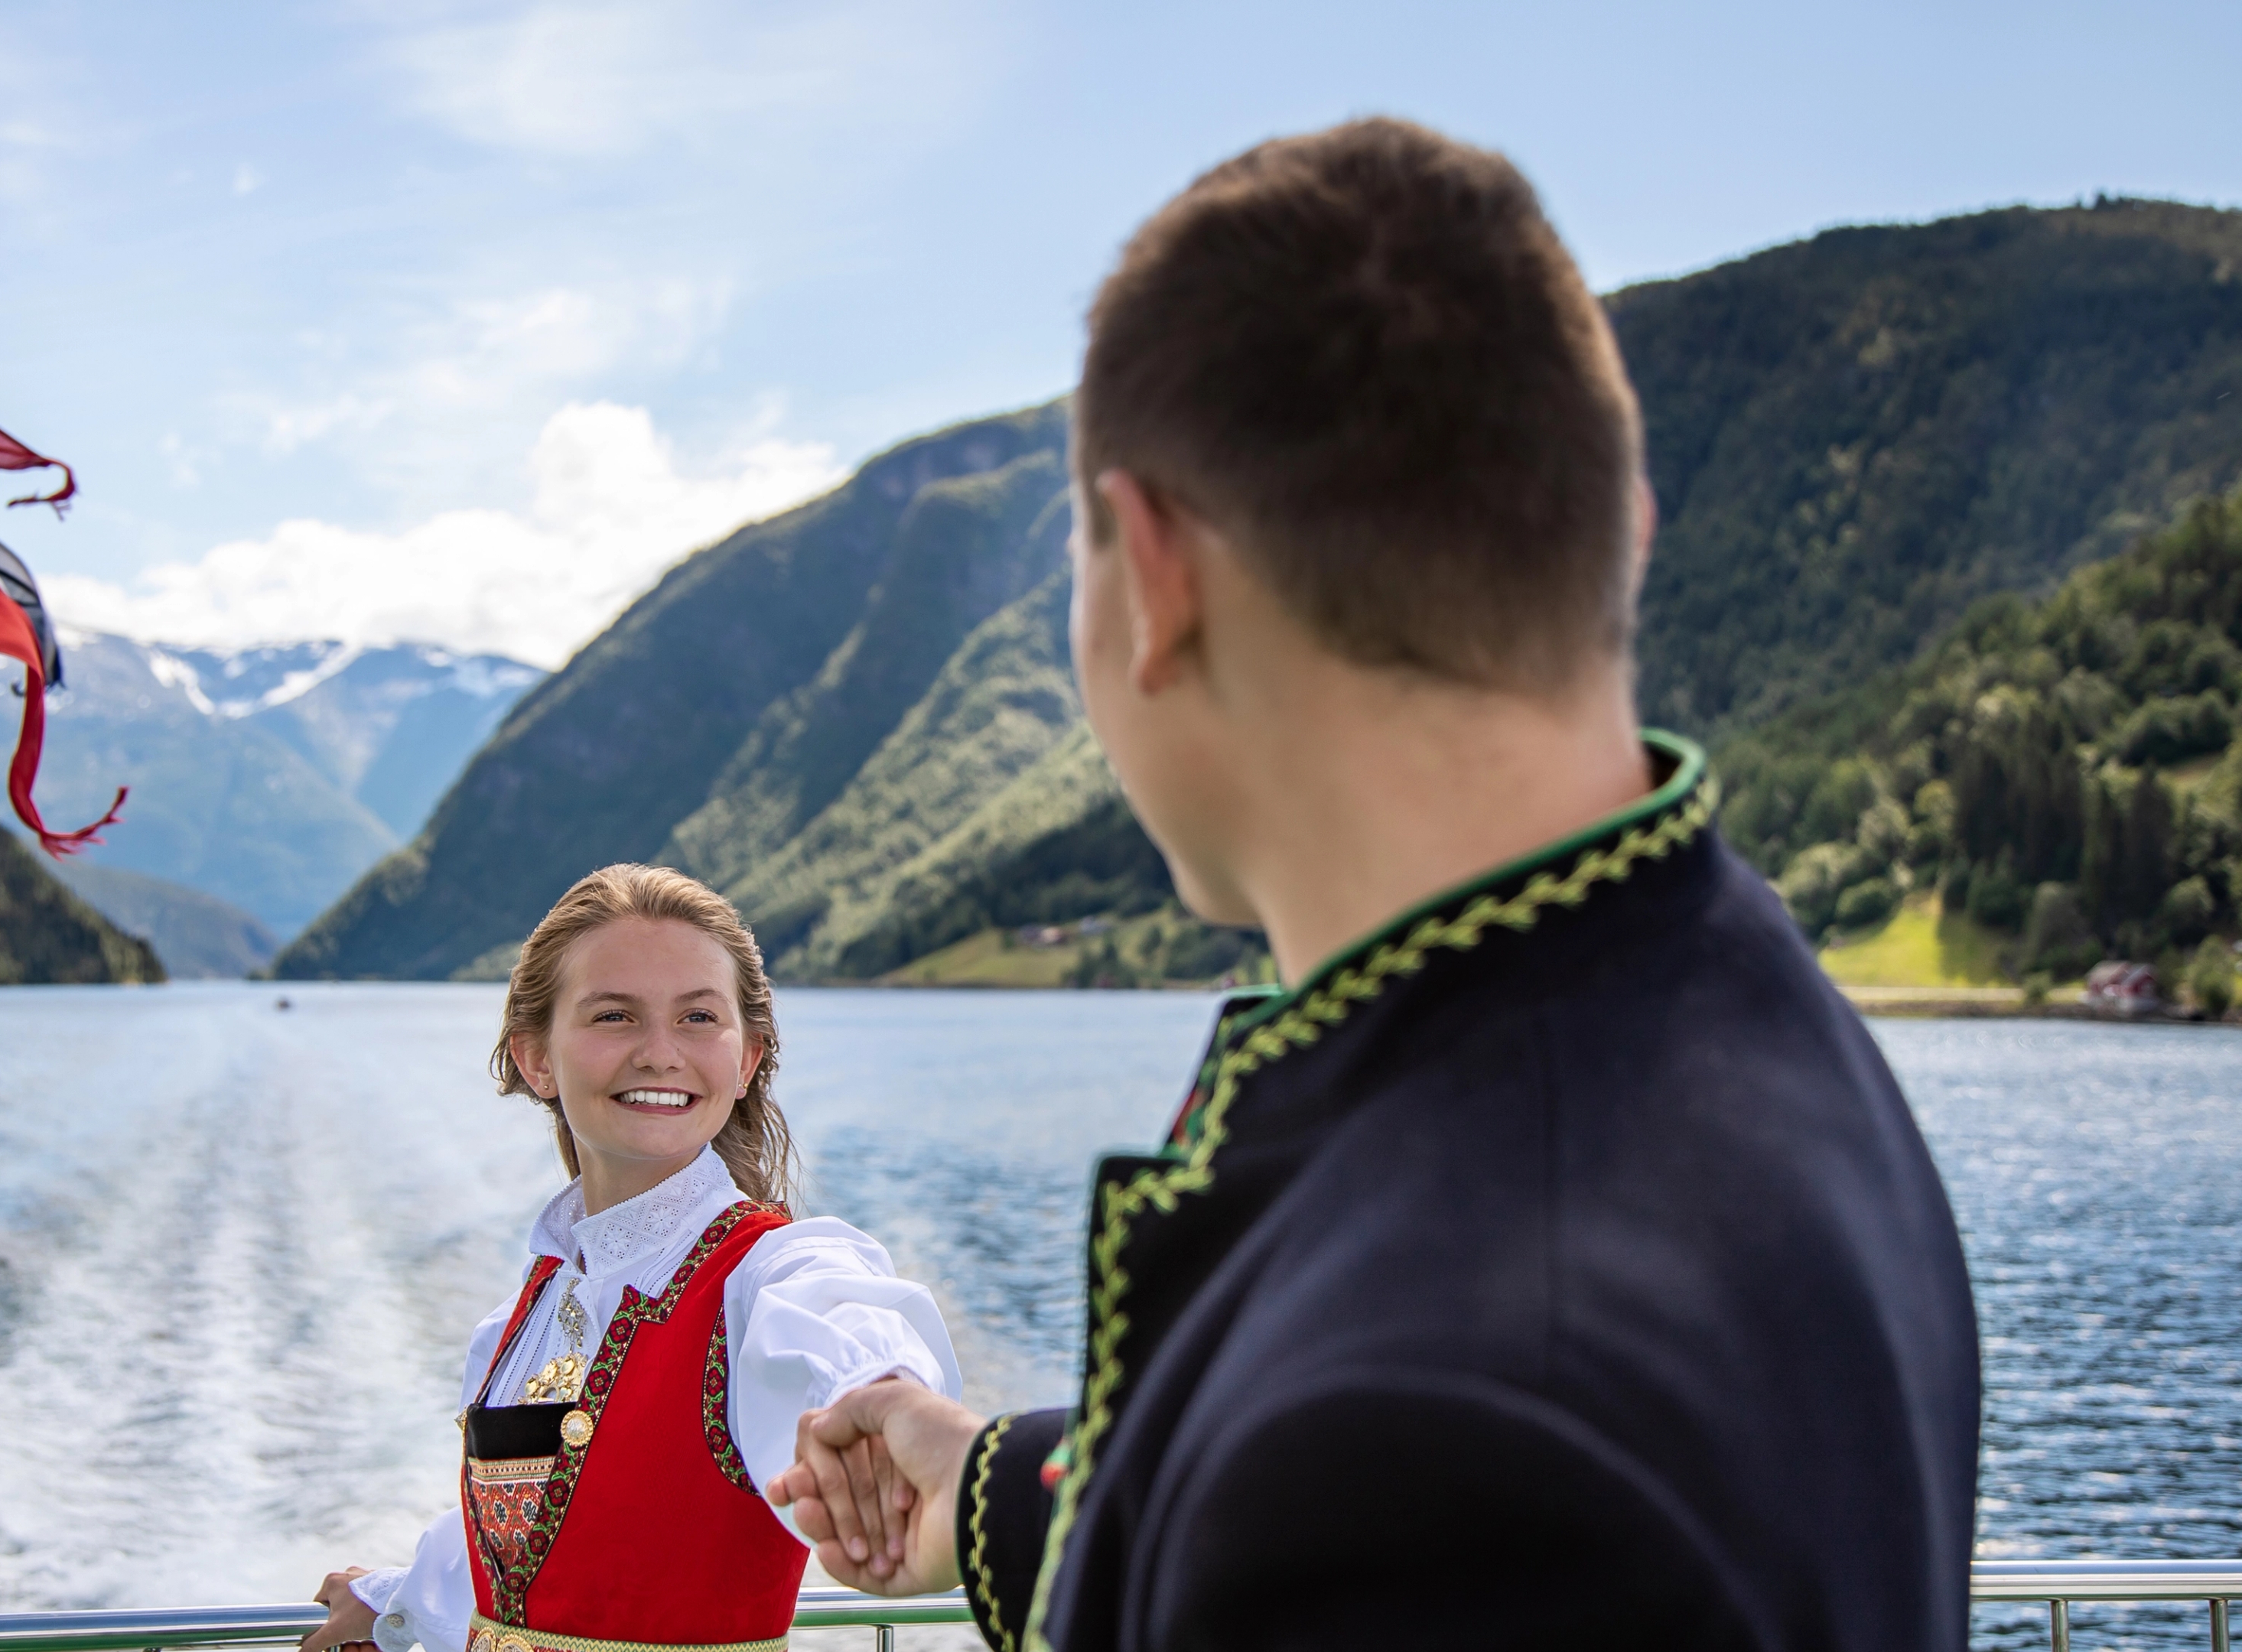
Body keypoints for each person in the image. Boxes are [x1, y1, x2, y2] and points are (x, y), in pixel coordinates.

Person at [768, 118, 1981, 1651]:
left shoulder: (1418, 1432)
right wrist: (997, 1492)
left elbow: (1379, 1462)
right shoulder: (1735, 995)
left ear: (1154, 580)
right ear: (1627, 533)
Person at [308, 863, 961, 1652]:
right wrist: (392, 1606)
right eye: (614, 1016)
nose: (659, 1053)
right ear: (537, 1059)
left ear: (748, 1057)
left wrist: (899, 1417)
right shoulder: (526, 1316)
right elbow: (522, 1559)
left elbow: (845, 1335)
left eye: (697, 1018)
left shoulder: (768, 1279)